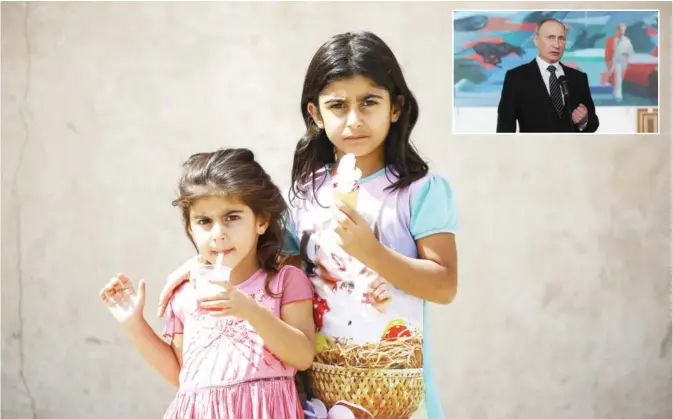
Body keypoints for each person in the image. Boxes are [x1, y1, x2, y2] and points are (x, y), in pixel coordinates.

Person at [157, 31, 458, 419]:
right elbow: (272, 267)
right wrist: (197, 265)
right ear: (315, 114)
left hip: (396, 392)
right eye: (337, 105)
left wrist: (371, 252)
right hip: (316, 395)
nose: (354, 120)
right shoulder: (302, 196)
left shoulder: (421, 191)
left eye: (369, 102)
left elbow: (444, 285)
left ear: (395, 107)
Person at [100, 148, 315, 419]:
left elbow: (303, 356)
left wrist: (249, 310)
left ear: (261, 220)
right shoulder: (184, 293)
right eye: (204, 221)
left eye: (232, 218)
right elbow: (181, 375)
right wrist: (133, 323)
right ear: (190, 228)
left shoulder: (284, 281)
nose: (218, 234)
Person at [496, 18, 600, 133]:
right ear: (536, 39)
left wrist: (584, 121)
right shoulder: (516, 78)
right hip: (533, 149)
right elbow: (504, 128)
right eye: (550, 38)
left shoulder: (578, 78)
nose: (556, 45)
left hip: (571, 149)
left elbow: (593, 125)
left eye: (561, 39)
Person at [603, 23, 634, 102]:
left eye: (623, 30)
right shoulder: (611, 39)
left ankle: (616, 93)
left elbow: (630, 51)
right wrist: (608, 61)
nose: (621, 32)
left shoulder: (627, 40)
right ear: (617, 30)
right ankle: (618, 95)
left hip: (623, 61)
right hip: (615, 61)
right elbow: (607, 51)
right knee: (617, 78)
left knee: (618, 78)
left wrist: (626, 54)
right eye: (620, 30)